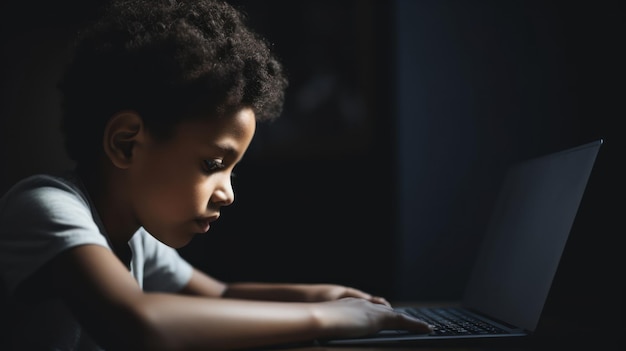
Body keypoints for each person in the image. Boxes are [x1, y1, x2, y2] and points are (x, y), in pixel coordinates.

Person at [0, 0, 432, 349]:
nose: (227, 193)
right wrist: (326, 320)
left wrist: (325, 295)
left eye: (232, 170)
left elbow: (221, 295)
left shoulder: (135, 236)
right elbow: (141, 322)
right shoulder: (46, 208)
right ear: (126, 143)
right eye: (212, 165)